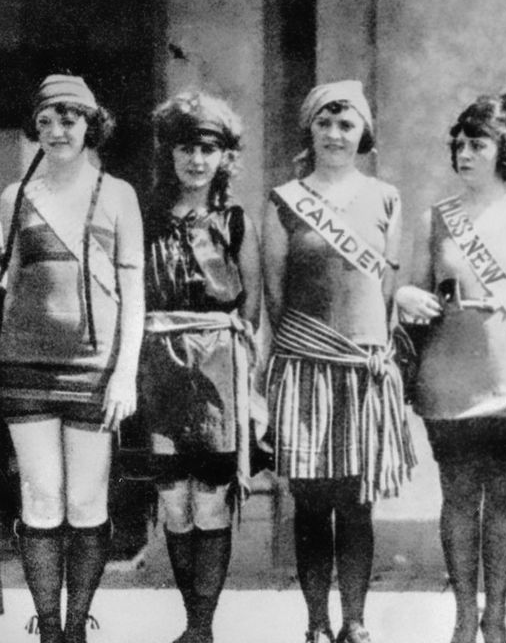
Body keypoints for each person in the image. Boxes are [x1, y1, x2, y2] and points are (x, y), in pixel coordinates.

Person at [396, 94, 506, 643]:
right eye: (460, 144)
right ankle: (464, 618)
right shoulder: (437, 218)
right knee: (457, 495)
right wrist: (404, 295)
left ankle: (496, 617)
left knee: (504, 496)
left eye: (478, 144)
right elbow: (411, 287)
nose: (465, 153)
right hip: (450, 371)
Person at [262, 80, 411, 643]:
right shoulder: (283, 199)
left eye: (346, 124)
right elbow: (275, 296)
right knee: (310, 503)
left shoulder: (387, 197)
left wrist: (375, 349)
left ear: (363, 133)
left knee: (355, 504)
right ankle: (316, 624)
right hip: (305, 366)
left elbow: (387, 291)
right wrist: (300, 349)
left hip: (362, 370)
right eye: (324, 123)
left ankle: (355, 621)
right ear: (310, 130)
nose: (334, 134)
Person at [0, 75, 145, 643]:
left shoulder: (119, 194)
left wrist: (125, 373)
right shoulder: (13, 197)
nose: (57, 131)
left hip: (96, 370)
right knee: (40, 498)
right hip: (24, 366)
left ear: (91, 124)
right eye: (46, 121)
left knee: (86, 501)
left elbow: (134, 293)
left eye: (69, 119)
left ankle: (80, 624)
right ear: (34, 128)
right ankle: (51, 629)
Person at [139, 91, 262, 643]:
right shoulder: (146, 219)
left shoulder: (235, 222)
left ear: (223, 158)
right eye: (185, 148)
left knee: (211, 502)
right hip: (160, 365)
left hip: (217, 369)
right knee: (174, 503)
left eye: (207, 150)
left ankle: (201, 627)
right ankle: (192, 617)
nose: (195, 160)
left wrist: (243, 380)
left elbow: (252, 308)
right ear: (169, 154)